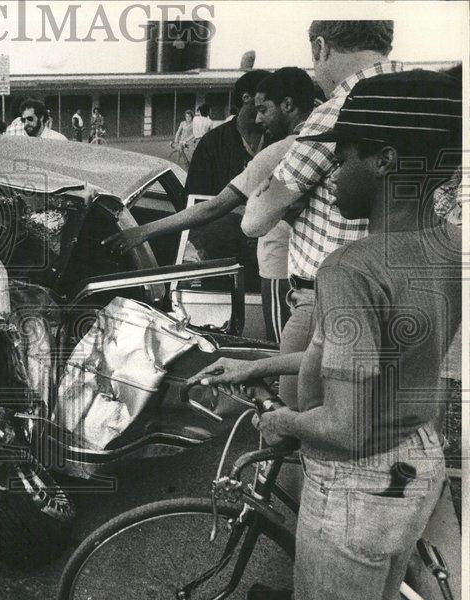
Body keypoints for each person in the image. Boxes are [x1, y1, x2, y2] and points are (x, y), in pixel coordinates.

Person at [190, 69, 461, 600]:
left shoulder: (350, 269)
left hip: (355, 489)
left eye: (343, 158)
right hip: (415, 464)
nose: (334, 173)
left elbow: (343, 424)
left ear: (384, 160)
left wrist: (278, 421)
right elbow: (370, 359)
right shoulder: (446, 245)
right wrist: (257, 367)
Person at [241, 20, 398, 410]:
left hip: (324, 299)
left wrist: (280, 194)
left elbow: (255, 220)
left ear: (321, 47)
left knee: (293, 437)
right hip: (397, 296)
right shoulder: (417, 98)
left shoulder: (338, 110)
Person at [104, 67, 316, 342]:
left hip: (281, 271)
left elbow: (213, 208)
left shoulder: (279, 151)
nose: (258, 117)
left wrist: (142, 232)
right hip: (310, 273)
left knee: (281, 350)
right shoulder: (321, 142)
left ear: (288, 105)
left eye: (264, 109)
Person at [183, 69, 271, 292]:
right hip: (221, 254)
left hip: (267, 253)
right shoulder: (212, 143)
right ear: (247, 98)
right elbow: (195, 200)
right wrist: (201, 247)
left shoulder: (277, 139)